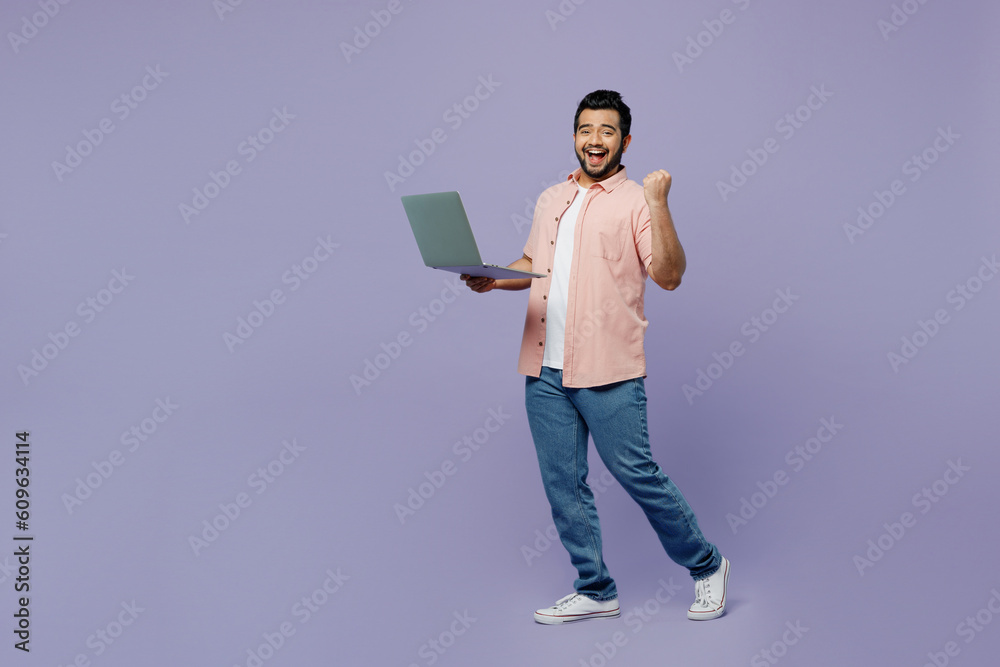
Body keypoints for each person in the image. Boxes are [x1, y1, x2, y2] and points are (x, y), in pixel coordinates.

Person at [461, 90, 729, 624]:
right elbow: (535, 262)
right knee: (563, 483)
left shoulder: (636, 201)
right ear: (575, 136)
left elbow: (670, 276)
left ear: (625, 140)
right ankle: (595, 588)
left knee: (637, 473)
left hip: (608, 367)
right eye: (586, 129)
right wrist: (495, 279)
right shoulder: (550, 199)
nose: (595, 140)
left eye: (607, 131)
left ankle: (706, 566)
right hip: (544, 367)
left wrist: (659, 202)